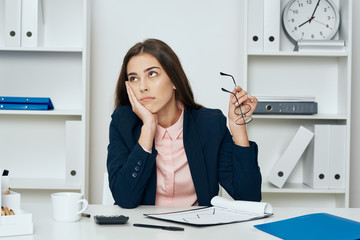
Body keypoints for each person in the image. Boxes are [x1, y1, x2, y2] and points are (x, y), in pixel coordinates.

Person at [107, 38, 261, 209]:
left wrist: (238, 129)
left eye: (152, 74)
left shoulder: (209, 125)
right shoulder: (123, 123)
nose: (142, 87)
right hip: (143, 231)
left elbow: (249, 198)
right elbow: (124, 199)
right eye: (134, 78)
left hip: (197, 232)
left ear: (174, 80)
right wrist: (148, 127)